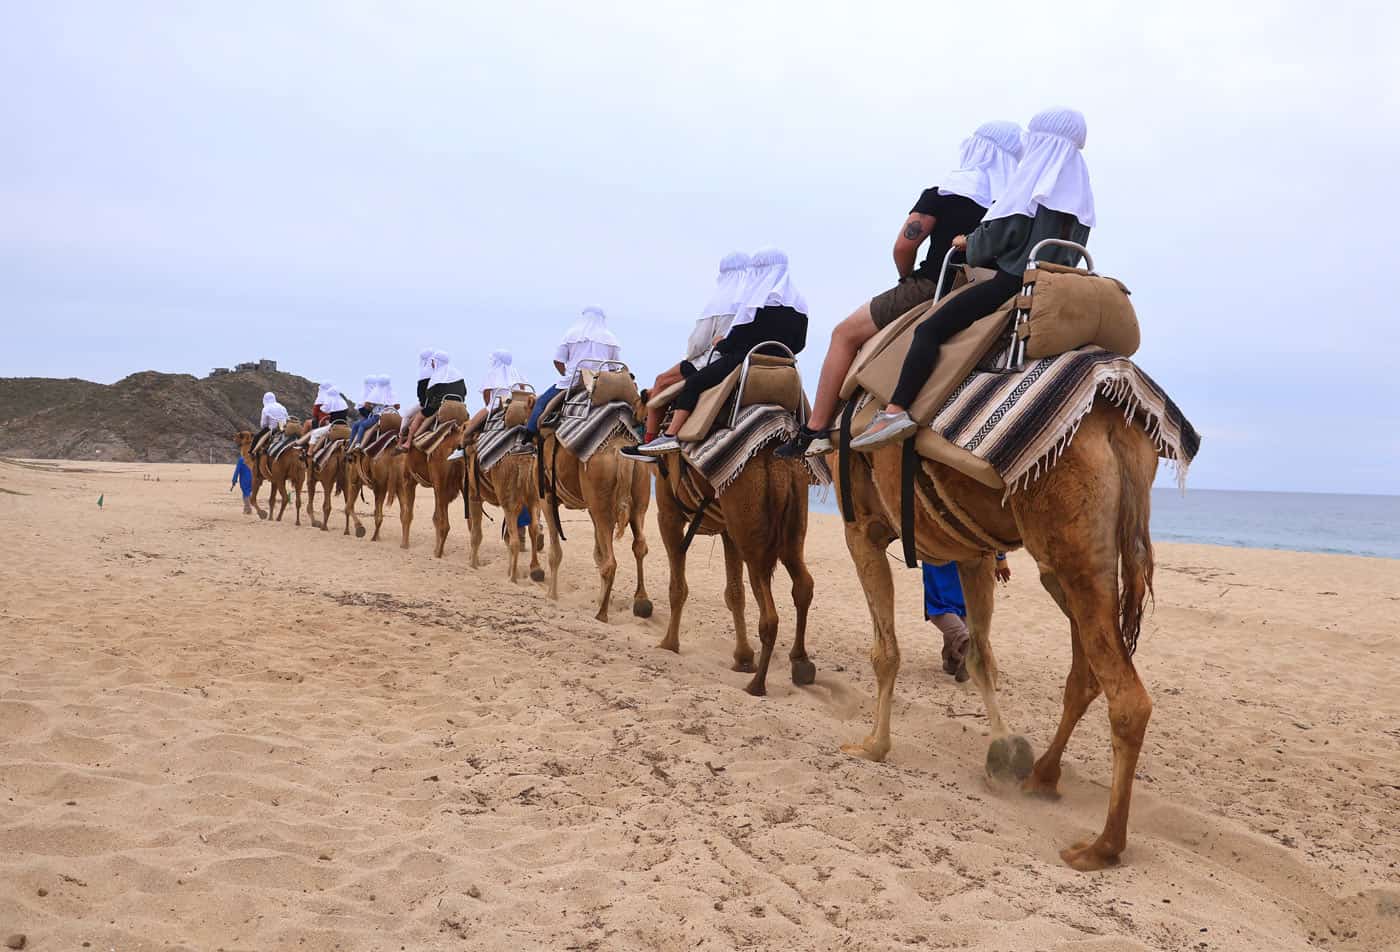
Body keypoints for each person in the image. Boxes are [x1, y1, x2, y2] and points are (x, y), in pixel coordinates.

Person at [774, 121, 1023, 459]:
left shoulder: (942, 193)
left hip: (933, 285)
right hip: (989, 292)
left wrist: (906, 278)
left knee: (843, 334)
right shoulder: (1013, 202)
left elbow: (903, 247)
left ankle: (815, 429)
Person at [851, 107, 1094, 449]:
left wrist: (969, 241)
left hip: (1012, 283)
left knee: (930, 329)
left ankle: (895, 411)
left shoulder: (1031, 187)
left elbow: (988, 246)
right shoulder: (1079, 193)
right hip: (1058, 289)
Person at [631, 247, 807, 457]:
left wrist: (720, 342)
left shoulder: (754, 304)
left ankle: (670, 435)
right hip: (783, 367)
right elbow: (799, 345)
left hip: (742, 361)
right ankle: (811, 435)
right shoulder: (799, 305)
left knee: (693, 383)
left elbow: (733, 343)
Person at [640, 251, 751, 443]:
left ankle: (649, 442)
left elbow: (697, 344)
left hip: (711, 361)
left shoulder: (720, 301)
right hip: (745, 361)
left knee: (661, 381)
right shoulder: (753, 298)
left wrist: (688, 356)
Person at [525, 307, 622, 437]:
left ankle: (528, 436)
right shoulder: (610, 338)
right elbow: (615, 367)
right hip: (602, 383)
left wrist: (567, 375)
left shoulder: (572, 334)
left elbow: (558, 361)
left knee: (541, 402)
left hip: (573, 382)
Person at [923, 555, 1011, 681]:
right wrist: (1000, 558)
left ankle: (966, 644)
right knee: (960, 603)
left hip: (938, 551)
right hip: (968, 557)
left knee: (938, 607)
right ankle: (954, 657)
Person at [447, 350, 530, 461]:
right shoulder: (517, 374)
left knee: (469, 429)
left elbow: (486, 394)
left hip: (497, 405)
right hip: (517, 405)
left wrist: (488, 408)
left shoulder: (493, 373)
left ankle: (462, 448)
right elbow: (523, 390)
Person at [401, 350, 467, 448]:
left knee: (419, 416)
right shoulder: (457, 373)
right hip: (460, 405)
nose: (432, 363)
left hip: (439, 406)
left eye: (433, 361)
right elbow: (464, 392)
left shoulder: (437, 376)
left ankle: (408, 442)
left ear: (437, 362)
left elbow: (428, 396)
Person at [398, 348, 436, 440]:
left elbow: (421, 394)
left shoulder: (424, 372)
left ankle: (401, 437)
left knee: (406, 414)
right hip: (445, 402)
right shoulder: (442, 371)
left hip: (428, 405)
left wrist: (424, 404)